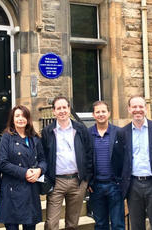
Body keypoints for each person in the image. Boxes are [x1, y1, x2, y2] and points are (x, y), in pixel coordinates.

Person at [115, 96, 152, 230]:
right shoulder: (122, 133)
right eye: (134, 107)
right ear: (129, 109)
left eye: (140, 106)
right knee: (136, 226)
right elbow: (120, 160)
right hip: (133, 185)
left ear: (146, 109)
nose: (137, 110)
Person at [41, 96, 93, 230]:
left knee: (72, 223)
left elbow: (89, 153)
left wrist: (86, 179)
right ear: (54, 111)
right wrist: (46, 178)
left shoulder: (80, 129)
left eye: (65, 107)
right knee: (51, 224)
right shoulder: (48, 131)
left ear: (69, 109)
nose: (62, 111)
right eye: (59, 108)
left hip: (77, 181)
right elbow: (43, 157)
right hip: (56, 181)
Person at [0, 105, 47, 230]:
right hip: (11, 190)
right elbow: (3, 163)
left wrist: (39, 170)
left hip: (31, 190)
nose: (21, 119)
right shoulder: (6, 137)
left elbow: (43, 160)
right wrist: (24, 173)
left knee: (30, 226)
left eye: (24, 116)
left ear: (28, 119)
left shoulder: (35, 138)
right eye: (17, 116)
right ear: (12, 119)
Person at [88, 101, 125, 230]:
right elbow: (85, 160)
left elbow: (124, 158)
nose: (101, 114)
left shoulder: (119, 132)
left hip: (115, 185)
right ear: (93, 115)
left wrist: (121, 181)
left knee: (118, 224)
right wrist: (88, 182)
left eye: (103, 111)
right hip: (96, 186)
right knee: (100, 224)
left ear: (109, 113)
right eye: (97, 112)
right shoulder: (88, 134)